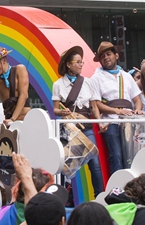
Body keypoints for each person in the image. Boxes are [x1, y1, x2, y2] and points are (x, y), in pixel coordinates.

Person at [52, 46, 103, 197]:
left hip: (86, 126)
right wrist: (62, 112)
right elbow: (55, 109)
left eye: (82, 62)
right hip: (68, 129)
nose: (81, 64)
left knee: (95, 163)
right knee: (63, 162)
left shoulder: (88, 82)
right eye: (78, 62)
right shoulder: (58, 84)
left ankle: (99, 196)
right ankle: (60, 196)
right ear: (69, 64)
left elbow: (94, 106)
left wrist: (100, 122)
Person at [91, 41, 143, 175]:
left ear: (116, 56)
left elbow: (137, 100)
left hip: (130, 122)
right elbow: (97, 104)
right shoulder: (96, 78)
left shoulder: (126, 76)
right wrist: (117, 111)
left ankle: (134, 189)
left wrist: (137, 109)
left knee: (132, 157)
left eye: (108, 54)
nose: (106, 58)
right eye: (102, 56)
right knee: (116, 156)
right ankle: (117, 191)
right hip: (111, 122)